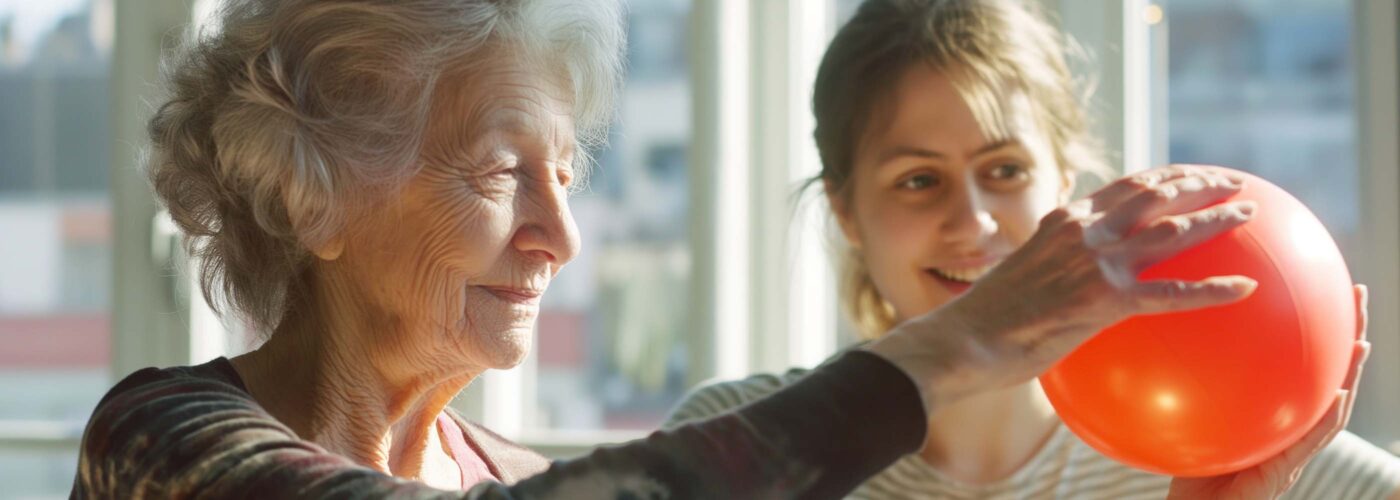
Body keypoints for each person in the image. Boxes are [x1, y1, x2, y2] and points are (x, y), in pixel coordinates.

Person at [72, 0, 1339, 498]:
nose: (559, 236)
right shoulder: (164, 440)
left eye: (568, 178)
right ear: (311, 197)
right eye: (504, 172)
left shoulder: (529, 474)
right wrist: (959, 341)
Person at [665, 1, 1400, 499]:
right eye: (918, 179)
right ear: (846, 211)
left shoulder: (1228, 447)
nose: (975, 222)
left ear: (1067, 188)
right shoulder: (743, 434)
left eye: (1006, 171)